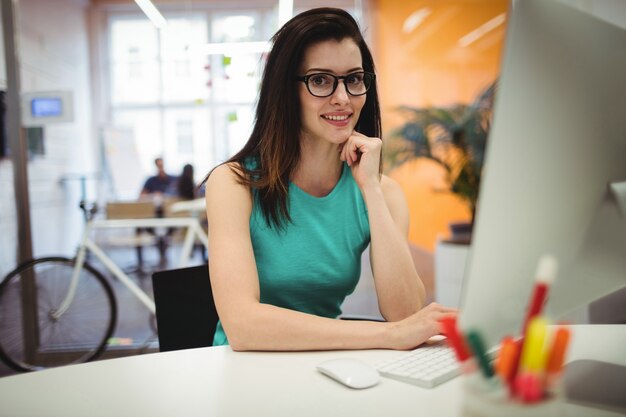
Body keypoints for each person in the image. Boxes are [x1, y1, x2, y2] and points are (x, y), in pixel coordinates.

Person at [204, 7, 456, 351]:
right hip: (245, 374)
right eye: (320, 80)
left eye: (353, 79)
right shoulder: (233, 184)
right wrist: (387, 336)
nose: (343, 98)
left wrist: (371, 188)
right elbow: (243, 326)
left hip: (326, 365)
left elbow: (405, 312)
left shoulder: (382, 191)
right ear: (285, 90)